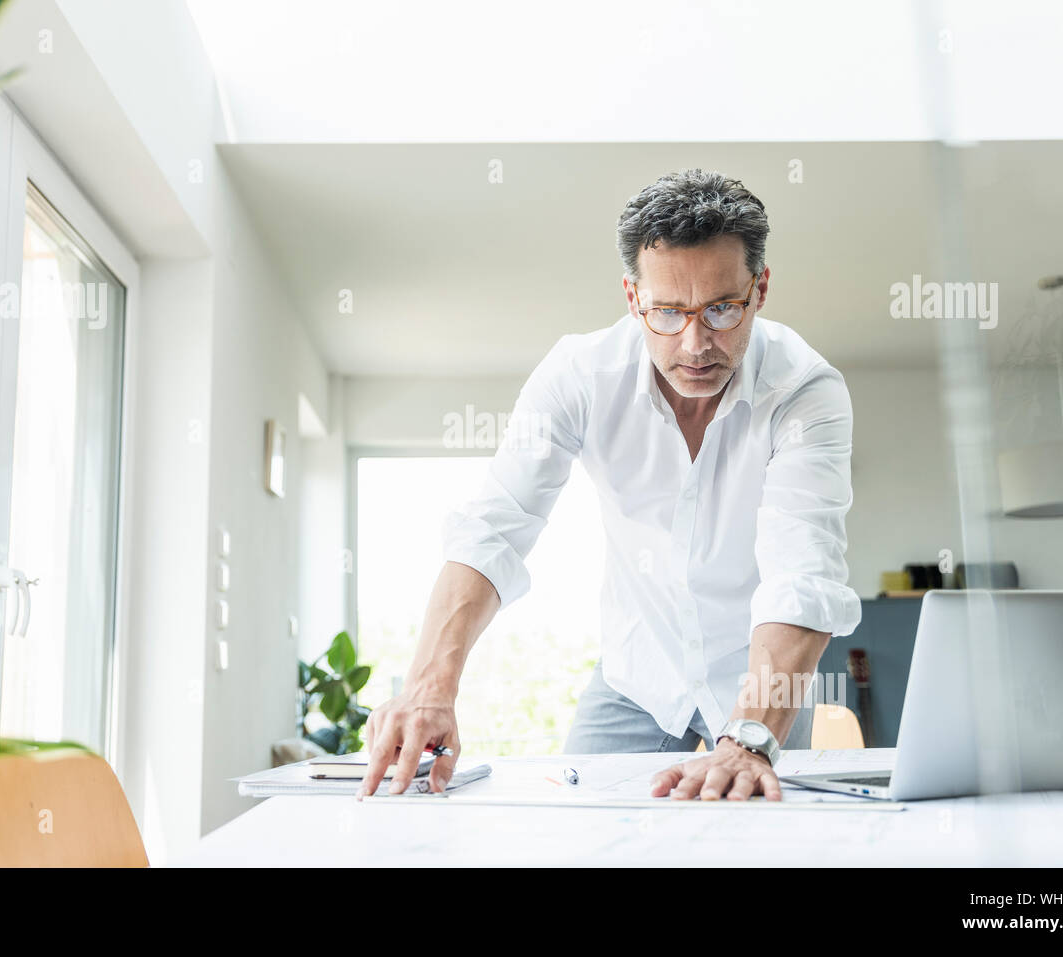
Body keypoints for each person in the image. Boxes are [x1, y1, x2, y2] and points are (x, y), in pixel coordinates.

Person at [357, 168, 861, 801]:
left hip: (764, 681)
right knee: (587, 837)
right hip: (635, 676)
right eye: (667, 312)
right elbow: (496, 526)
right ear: (632, 297)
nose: (696, 343)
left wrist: (749, 738)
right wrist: (427, 687)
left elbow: (801, 570)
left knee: (780, 838)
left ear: (760, 289)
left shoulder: (806, 392)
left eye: (722, 309)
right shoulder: (578, 375)